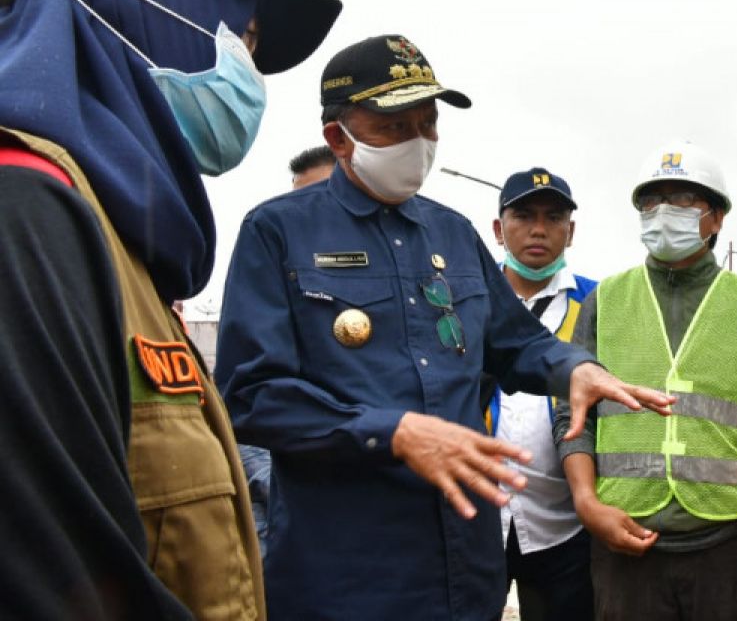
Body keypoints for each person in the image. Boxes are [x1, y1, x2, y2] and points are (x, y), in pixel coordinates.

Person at [214, 34, 672, 621]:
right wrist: (393, 431)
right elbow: (252, 396)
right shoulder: (277, 232)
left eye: (428, 125)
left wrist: (573, 368)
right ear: (338, 138)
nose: (418, 143)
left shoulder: (453, 234)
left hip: (464, 569)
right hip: (345, 573)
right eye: (393, 127)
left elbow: (515, 342)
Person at [0, 0, 341, 619]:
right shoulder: (23, 206)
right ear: (132, 8)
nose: (247, 78)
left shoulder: (119, 234)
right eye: (240, 42)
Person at [554, 141, 737, 621]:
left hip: (733, 545)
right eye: (651, 202)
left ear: (716, 219)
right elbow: (571, 414)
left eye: (682, 200)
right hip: (626, 542)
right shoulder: (606, 299)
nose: (663, 213)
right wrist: (586, 501)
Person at [487, 167, 597, 620]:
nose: (538, 229)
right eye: (523, 216)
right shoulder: (465, 298)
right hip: (477, 516)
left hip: (564, 522)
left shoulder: (598, 302)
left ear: (570, 232)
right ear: (498, 229)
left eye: (553, 218)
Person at [239, 143, 338, 560]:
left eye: (321, 198)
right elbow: (246, 401)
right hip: (282, 518)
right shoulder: (267, 284)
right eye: (298, 200)